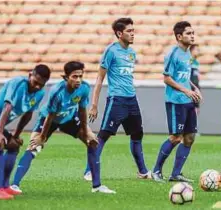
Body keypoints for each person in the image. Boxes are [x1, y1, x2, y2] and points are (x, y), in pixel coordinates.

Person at [8, 61, 98, 194]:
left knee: (93, 141)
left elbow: (82, 110)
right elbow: (50, 116)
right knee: (33, 147)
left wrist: (86, 132)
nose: (78, 79)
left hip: (69, 118)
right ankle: (15, 184)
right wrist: (42, 137)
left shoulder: (84, 88)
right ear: (66, 77)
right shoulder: (57, 91)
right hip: (48, 119)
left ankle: (89, 174)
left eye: (80, 76)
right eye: (74, 76)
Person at [87, 17, 151, 194]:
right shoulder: (111, 51)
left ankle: (143, 171)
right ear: (119, 33)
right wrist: (94, 104)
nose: (133, 34)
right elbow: (100, 78)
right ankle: (89, 171)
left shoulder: (132, 53)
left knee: (137, 134)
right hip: (117, 100)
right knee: (104, 135)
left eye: (133, 30)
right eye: (129, 31)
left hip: (132, 99)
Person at [0, 65, 51, 200]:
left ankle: (6, 186)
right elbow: (7, 107)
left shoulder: (39, 93)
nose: (37, 87)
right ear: (30, 74)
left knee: (14, 145)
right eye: (35, 82)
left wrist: (16, 135)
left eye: (41, 85)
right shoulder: (17, 83)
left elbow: (27, 115)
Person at [152, 21, 202, 183]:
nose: (192, 35)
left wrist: (194, 88)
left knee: (190, 138)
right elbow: (167, 78)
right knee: (175, 137)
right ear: (179, 36)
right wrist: (186, 90)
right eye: (188, 33)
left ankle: (176, 174)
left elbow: (185, 77)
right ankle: (156, 171)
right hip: (175, 101)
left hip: (187, 99)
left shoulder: (188, 53)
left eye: (193, 33)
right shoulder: (173, 53)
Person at [190, 44, 201, 115]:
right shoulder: (189, 61)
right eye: (197, 50)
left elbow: (196, 76)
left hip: (196, 87)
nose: (199, 52)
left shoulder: (196, 62)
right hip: (190, 87)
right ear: (192, 50)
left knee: (196, 109)